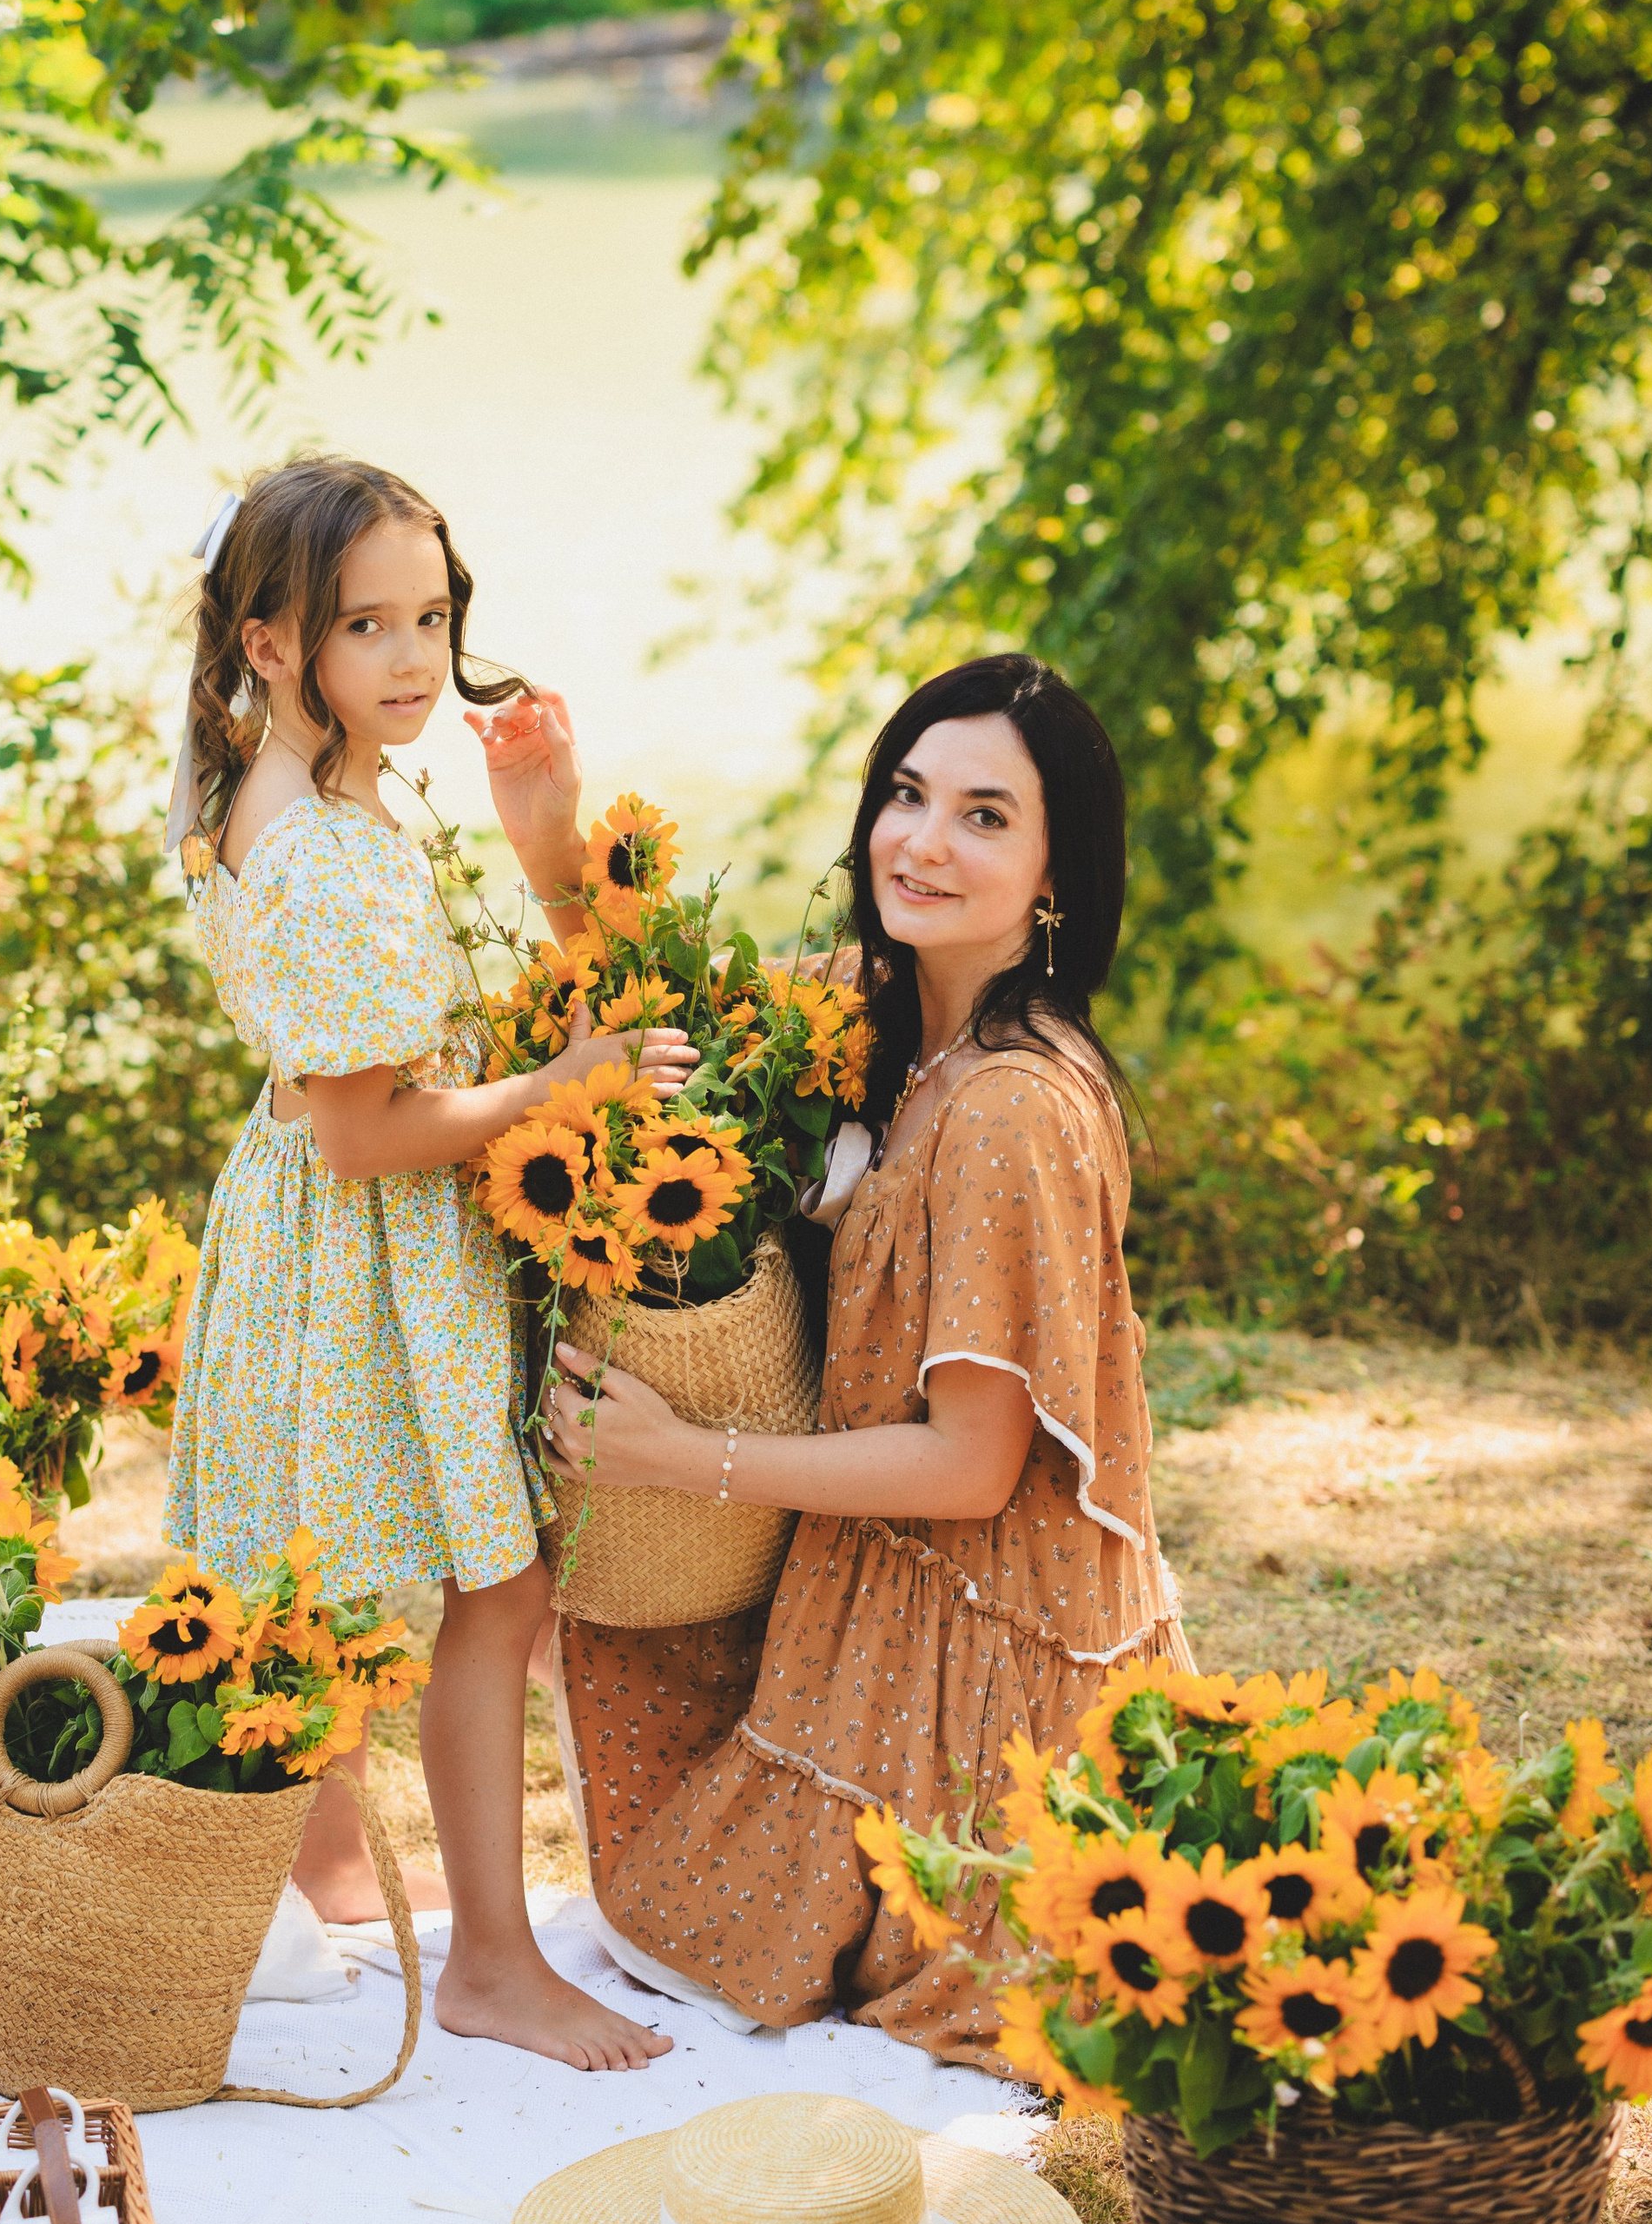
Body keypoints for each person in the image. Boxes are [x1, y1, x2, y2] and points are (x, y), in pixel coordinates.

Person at [544, 653, 1192, 2063]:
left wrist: (681, 1456)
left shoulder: (1012, 1105)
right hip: (869, 1561)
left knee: (708, 1920)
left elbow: (974, 1465)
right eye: (908, 794)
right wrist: (550, 825)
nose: (922, 841)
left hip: (975, 1618)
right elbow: (662, 1024)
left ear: (1055, 875)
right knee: (629, 1700)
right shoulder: (881, 1013)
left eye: (983, 816)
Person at [162, 454, 692, 2070]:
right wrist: (559, 1088)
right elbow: (365, 1130)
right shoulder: (324, 847)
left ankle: (324, 1882)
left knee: (320, 1568)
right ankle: (494, 1962)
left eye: (432, 616)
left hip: (326, 1239)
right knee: (500, 1576)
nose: (411, 657)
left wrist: (544, 832)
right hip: (373, 1235)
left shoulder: (300, 794)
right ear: (268, 643)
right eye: (365, 625)